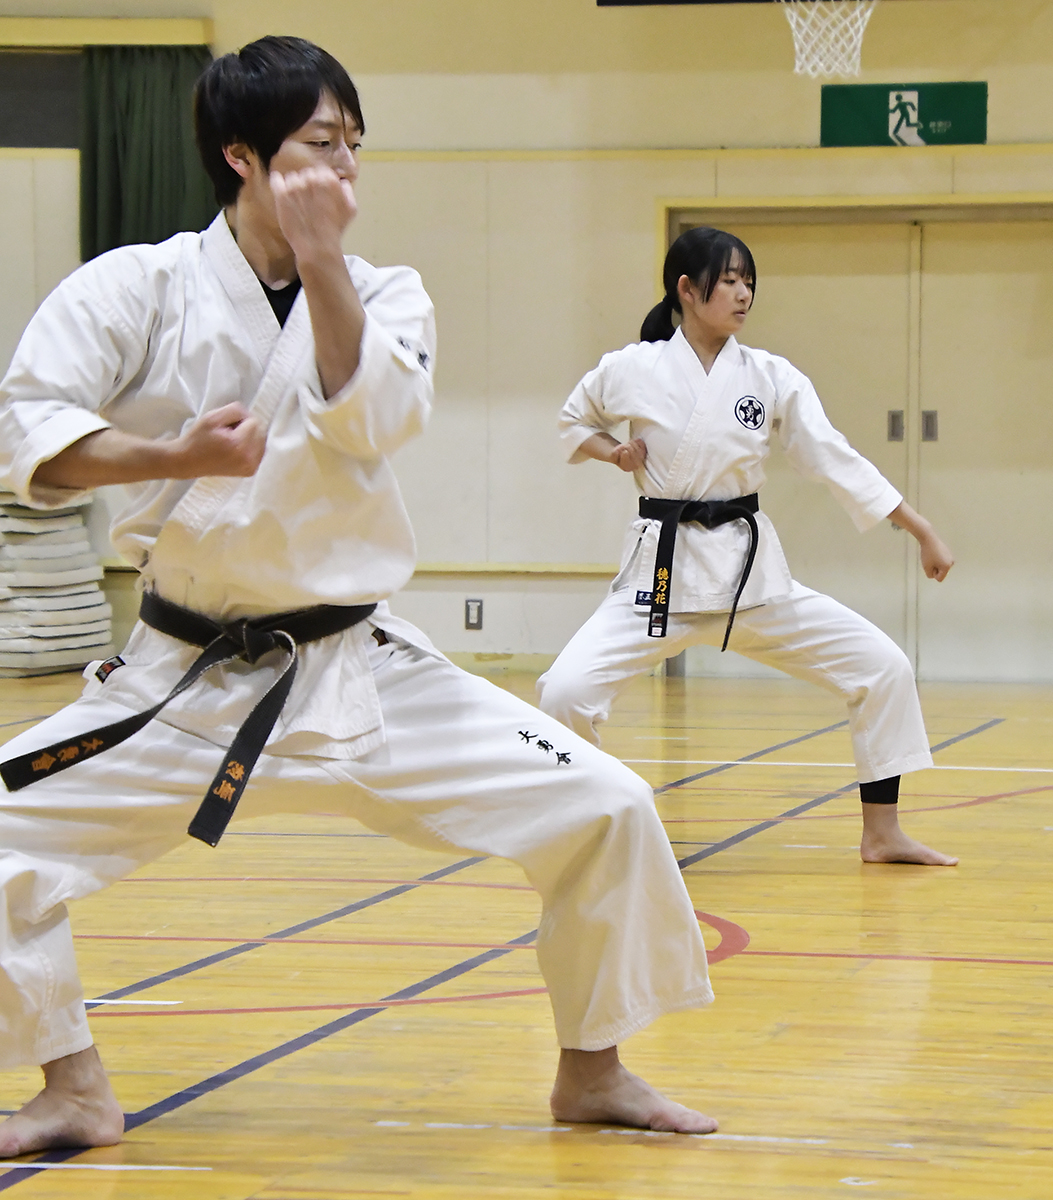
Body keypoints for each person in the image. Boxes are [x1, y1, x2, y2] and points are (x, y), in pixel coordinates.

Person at [0, 37, 717, 1157]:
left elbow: (376, 420)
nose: (340, 173)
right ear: (241, 156)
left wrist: (326, 260)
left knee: (611, 807)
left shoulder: (387, 292)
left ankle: (594, 1071)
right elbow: (27, 431)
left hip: (361, 674)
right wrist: (165, 456)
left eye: (352, 150)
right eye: (314, 149)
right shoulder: (135, 288)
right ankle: (75, 1090)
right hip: (182, 681)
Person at [537, 227, 957, 868]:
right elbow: (573, 419)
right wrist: (614, 452)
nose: (742, 293)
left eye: (748, 281)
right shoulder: (633, 368)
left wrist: (919, 526)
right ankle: (598, 827)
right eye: (729, 280)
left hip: (749, 580)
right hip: (660, 579)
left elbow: (834, 458)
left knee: (883, 667)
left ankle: (883, 833)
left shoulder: (769, 376)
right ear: (687, 289)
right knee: (563, 693)